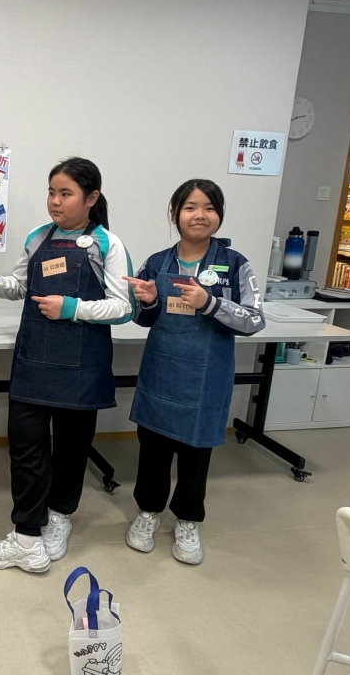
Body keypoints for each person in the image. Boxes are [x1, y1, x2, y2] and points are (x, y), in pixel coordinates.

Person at [0, 157, 134, 573]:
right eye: (52, 192)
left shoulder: (107, 244)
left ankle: (60, 517)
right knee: (26, 449)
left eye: (65, 193)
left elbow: (124, 307)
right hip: (34, 361)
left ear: (91, 198)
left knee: (71, 451)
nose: (55, 201)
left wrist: (72, 308)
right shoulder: (38, 237)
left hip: (82, 365)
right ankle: (26, 537)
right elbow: (20, 286)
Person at [123, 179, 264, 566]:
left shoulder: (235, 265)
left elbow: (254, 320)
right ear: (175, 214)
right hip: (162, 372)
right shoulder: (156, 263)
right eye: (190, 207)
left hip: (205, 379)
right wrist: (148, 302)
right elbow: (141, 318)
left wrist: (210, 303)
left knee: (195, 456)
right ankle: (148, 513)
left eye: (209, 207)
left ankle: (187, 520)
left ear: (219, 215)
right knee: (152, 453)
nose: (199, 215)